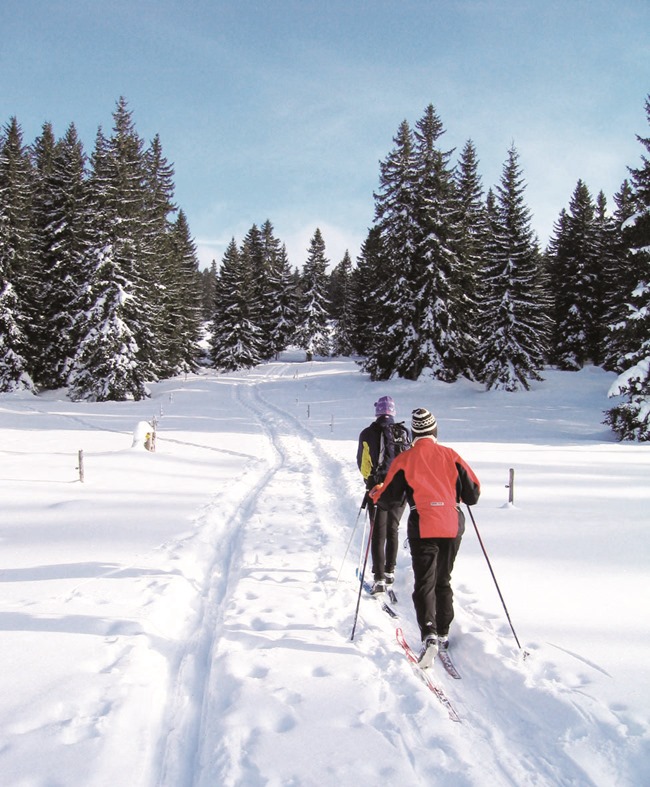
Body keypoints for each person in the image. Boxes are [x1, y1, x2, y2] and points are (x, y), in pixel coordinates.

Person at [370, 407, 480, 667]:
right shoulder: (451, 455)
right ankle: (443, 632)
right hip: (452, 525)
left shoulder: (406, 460)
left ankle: (429, 632)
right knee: (444, 579)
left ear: (414, 433)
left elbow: (389, 500)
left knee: (425, 582)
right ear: (434, 430)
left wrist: (375, 492)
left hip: (424, 526)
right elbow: (473, 494)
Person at [356, 395, 408, 594]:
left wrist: (369, 481)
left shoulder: (368, 433)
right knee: (393, 529)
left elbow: (363, 462)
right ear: (393, 412)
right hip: (400, 488)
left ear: (377, 412)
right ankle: (390, 571)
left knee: (378, 532)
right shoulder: (403, 431)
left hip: (378, 487)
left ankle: (378, 577)